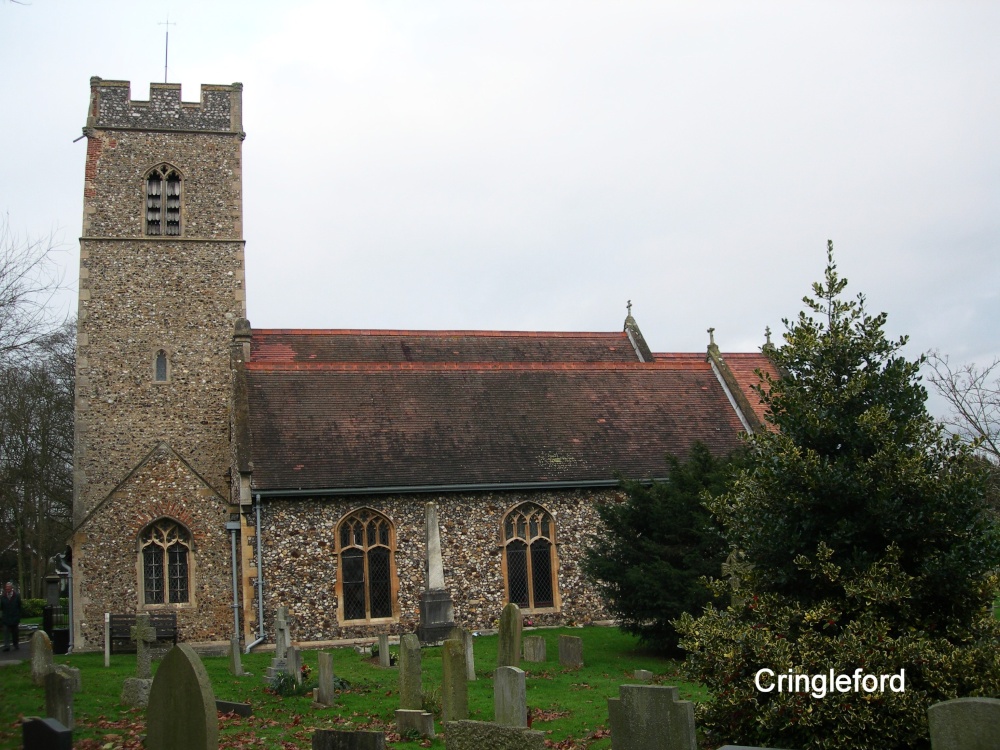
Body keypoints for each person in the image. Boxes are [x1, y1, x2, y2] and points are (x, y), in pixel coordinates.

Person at [1, 581, 23, 652]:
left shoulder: (16, 596)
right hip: (6, 617)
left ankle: (15, 644)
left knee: (15, 633)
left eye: (8, 588)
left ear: (11, 588)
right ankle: (6, 646)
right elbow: (1, 607)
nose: (7, 589)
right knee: (6, 632)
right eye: (6, 588)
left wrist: (18, 615)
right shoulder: (3, 596)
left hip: (14, 617)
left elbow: (19, 606)